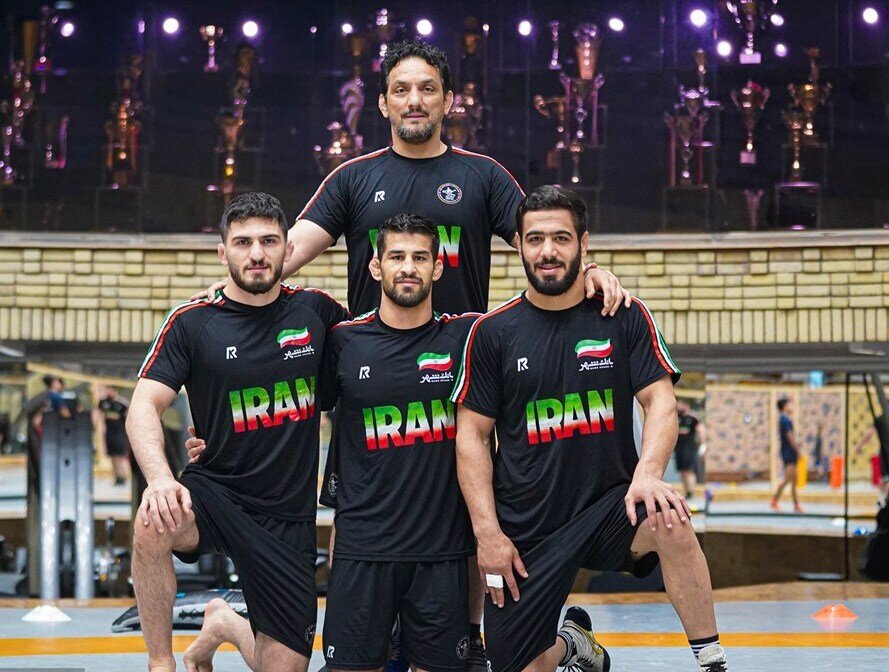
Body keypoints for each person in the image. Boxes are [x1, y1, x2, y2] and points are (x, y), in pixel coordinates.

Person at [192, 39, 630, 672]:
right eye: (402, 89)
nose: (415, 100)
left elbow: (542, 241)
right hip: (372, 377)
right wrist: (232, 290)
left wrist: (592, 273)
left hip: (460, 377)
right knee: (364, 518)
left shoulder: (483, 176)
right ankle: (354, 631)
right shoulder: (353, 178)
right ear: (383, 102)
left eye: (428, 88)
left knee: (465, 512)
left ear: (448, 100)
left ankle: (468, 640)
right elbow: (285, 255)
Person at [451, 185, 728, 672]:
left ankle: (713, 662)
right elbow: (471, 437)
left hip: (609, 508)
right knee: (523, 664)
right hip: (528, 526)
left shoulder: (622, 315)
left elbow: (660, 401)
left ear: (583, 243)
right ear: (519, 246)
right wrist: (488, 533)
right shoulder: (492, 333)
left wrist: (649, 475)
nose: (548, 251)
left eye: (561, 238)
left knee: (669, 517)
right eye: (535, 239)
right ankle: (574, 644)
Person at [127, 192, 349, 672]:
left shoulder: (318, 313)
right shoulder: (192, 322)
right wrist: (161, 480)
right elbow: (143, 404)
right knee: (152, 521)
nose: (257, 254)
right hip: (217, 493)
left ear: (289, 248)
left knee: (285, 668)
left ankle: (223, 622)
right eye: (243, 242)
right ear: (222, 252)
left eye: (269, 241)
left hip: (286, 516)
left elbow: (376, 357)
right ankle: (161, 662)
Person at [770, 398, 802, 513]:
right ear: (784, 407)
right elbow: (790, 437)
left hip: (789, 452)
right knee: (788, 479)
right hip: (789, 453)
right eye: (790, 404)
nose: (792, 406)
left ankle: (796, 504)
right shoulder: (785, 420)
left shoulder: (784, 419)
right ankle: (775, 500)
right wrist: (797, 451)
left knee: (794, 480)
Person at [95, 385, 130, 485]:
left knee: (121, 455)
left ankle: (123, 474)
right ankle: (117, 475)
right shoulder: (104, 402)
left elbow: (128, 416)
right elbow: (98, 414)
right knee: (113, 455)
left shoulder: (122, 403)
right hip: (109, 432)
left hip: (120, 432)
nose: (108, 392)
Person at [675, 399, 706, 500]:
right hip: (679, 448)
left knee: (689, 470)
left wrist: (703, 445)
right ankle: (687, 491)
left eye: (680, 404)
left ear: (685, 405)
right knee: (682, 471)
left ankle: (691, 492)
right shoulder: (677, 418)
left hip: (690, 448)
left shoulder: (693, 418)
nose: (678, 406)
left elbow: (701, 430)